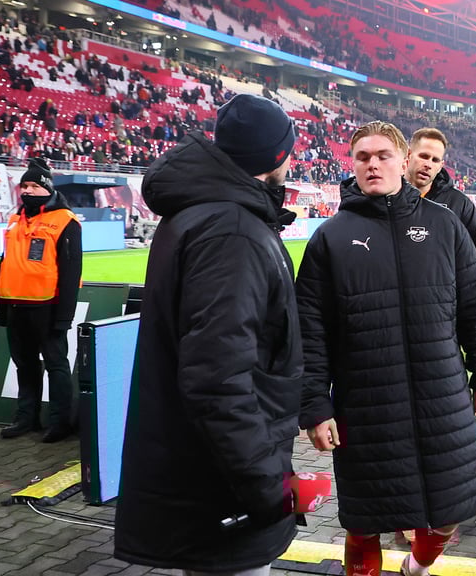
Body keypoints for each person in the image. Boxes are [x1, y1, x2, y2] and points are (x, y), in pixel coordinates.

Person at [297, 121, 476, 576]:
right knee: (365, 522)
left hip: (443, 398)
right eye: (362, 157)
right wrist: (314, 404)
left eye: (382, 155)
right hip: (367, 406)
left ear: (403, 160)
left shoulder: (444, 225)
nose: (372, 164)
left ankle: (415, 567)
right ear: (351, 165)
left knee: (448, 515)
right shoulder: (329, 239)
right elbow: (310, 331)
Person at [115, 94, 308, 575]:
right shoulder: (232, 232)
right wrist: (267, 487)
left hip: (206, 474)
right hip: (222, 487)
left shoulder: (208, 215)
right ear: (277, 156)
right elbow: (217, 379)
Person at [0, 158, 81, 443]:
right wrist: (0, 305)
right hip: (15, 304)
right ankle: (26, 418)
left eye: (33, 185)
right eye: (24, 186)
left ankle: (60, 422)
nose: (27, 191)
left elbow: (71, 272)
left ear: (47, 188)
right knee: (25, 365)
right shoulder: (13, 220)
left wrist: (64, 316)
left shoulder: (66, 221)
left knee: (56, 366)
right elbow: (4, 264)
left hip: (48, 306)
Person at [406, 127, 476, 250]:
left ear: (441, 166)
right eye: (424, 156)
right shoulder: (387, 196)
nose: (428, 165)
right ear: (409, 155)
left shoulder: (459, 204)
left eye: (435, 160)